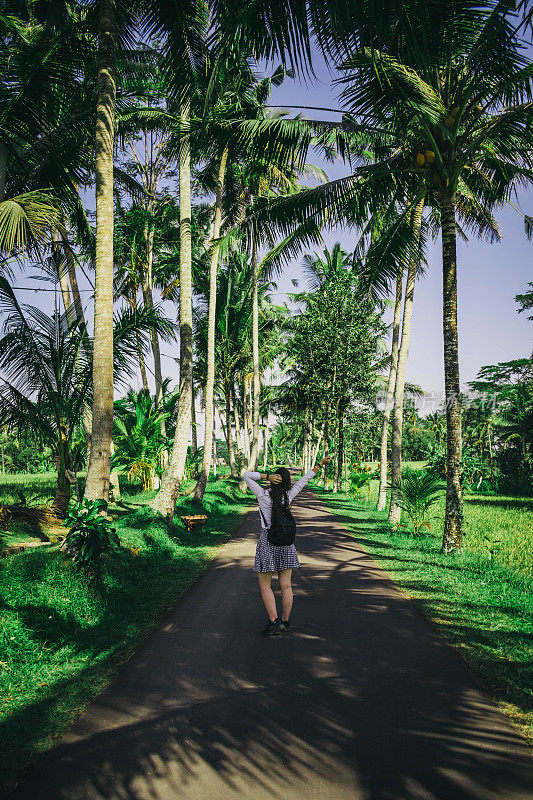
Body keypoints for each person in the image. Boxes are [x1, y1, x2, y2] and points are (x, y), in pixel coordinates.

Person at [243, 457, 331, 637]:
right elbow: (305, 479)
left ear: (275, 479)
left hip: (268, 541)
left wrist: (267, 476)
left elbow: (247, 476)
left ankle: (273, 622)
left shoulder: (263, 495)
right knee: (286, 586)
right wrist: (320, 465)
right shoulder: (288, 497)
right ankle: (286, 621)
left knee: (265, 585)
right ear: (287, 482)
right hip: (286, 543)